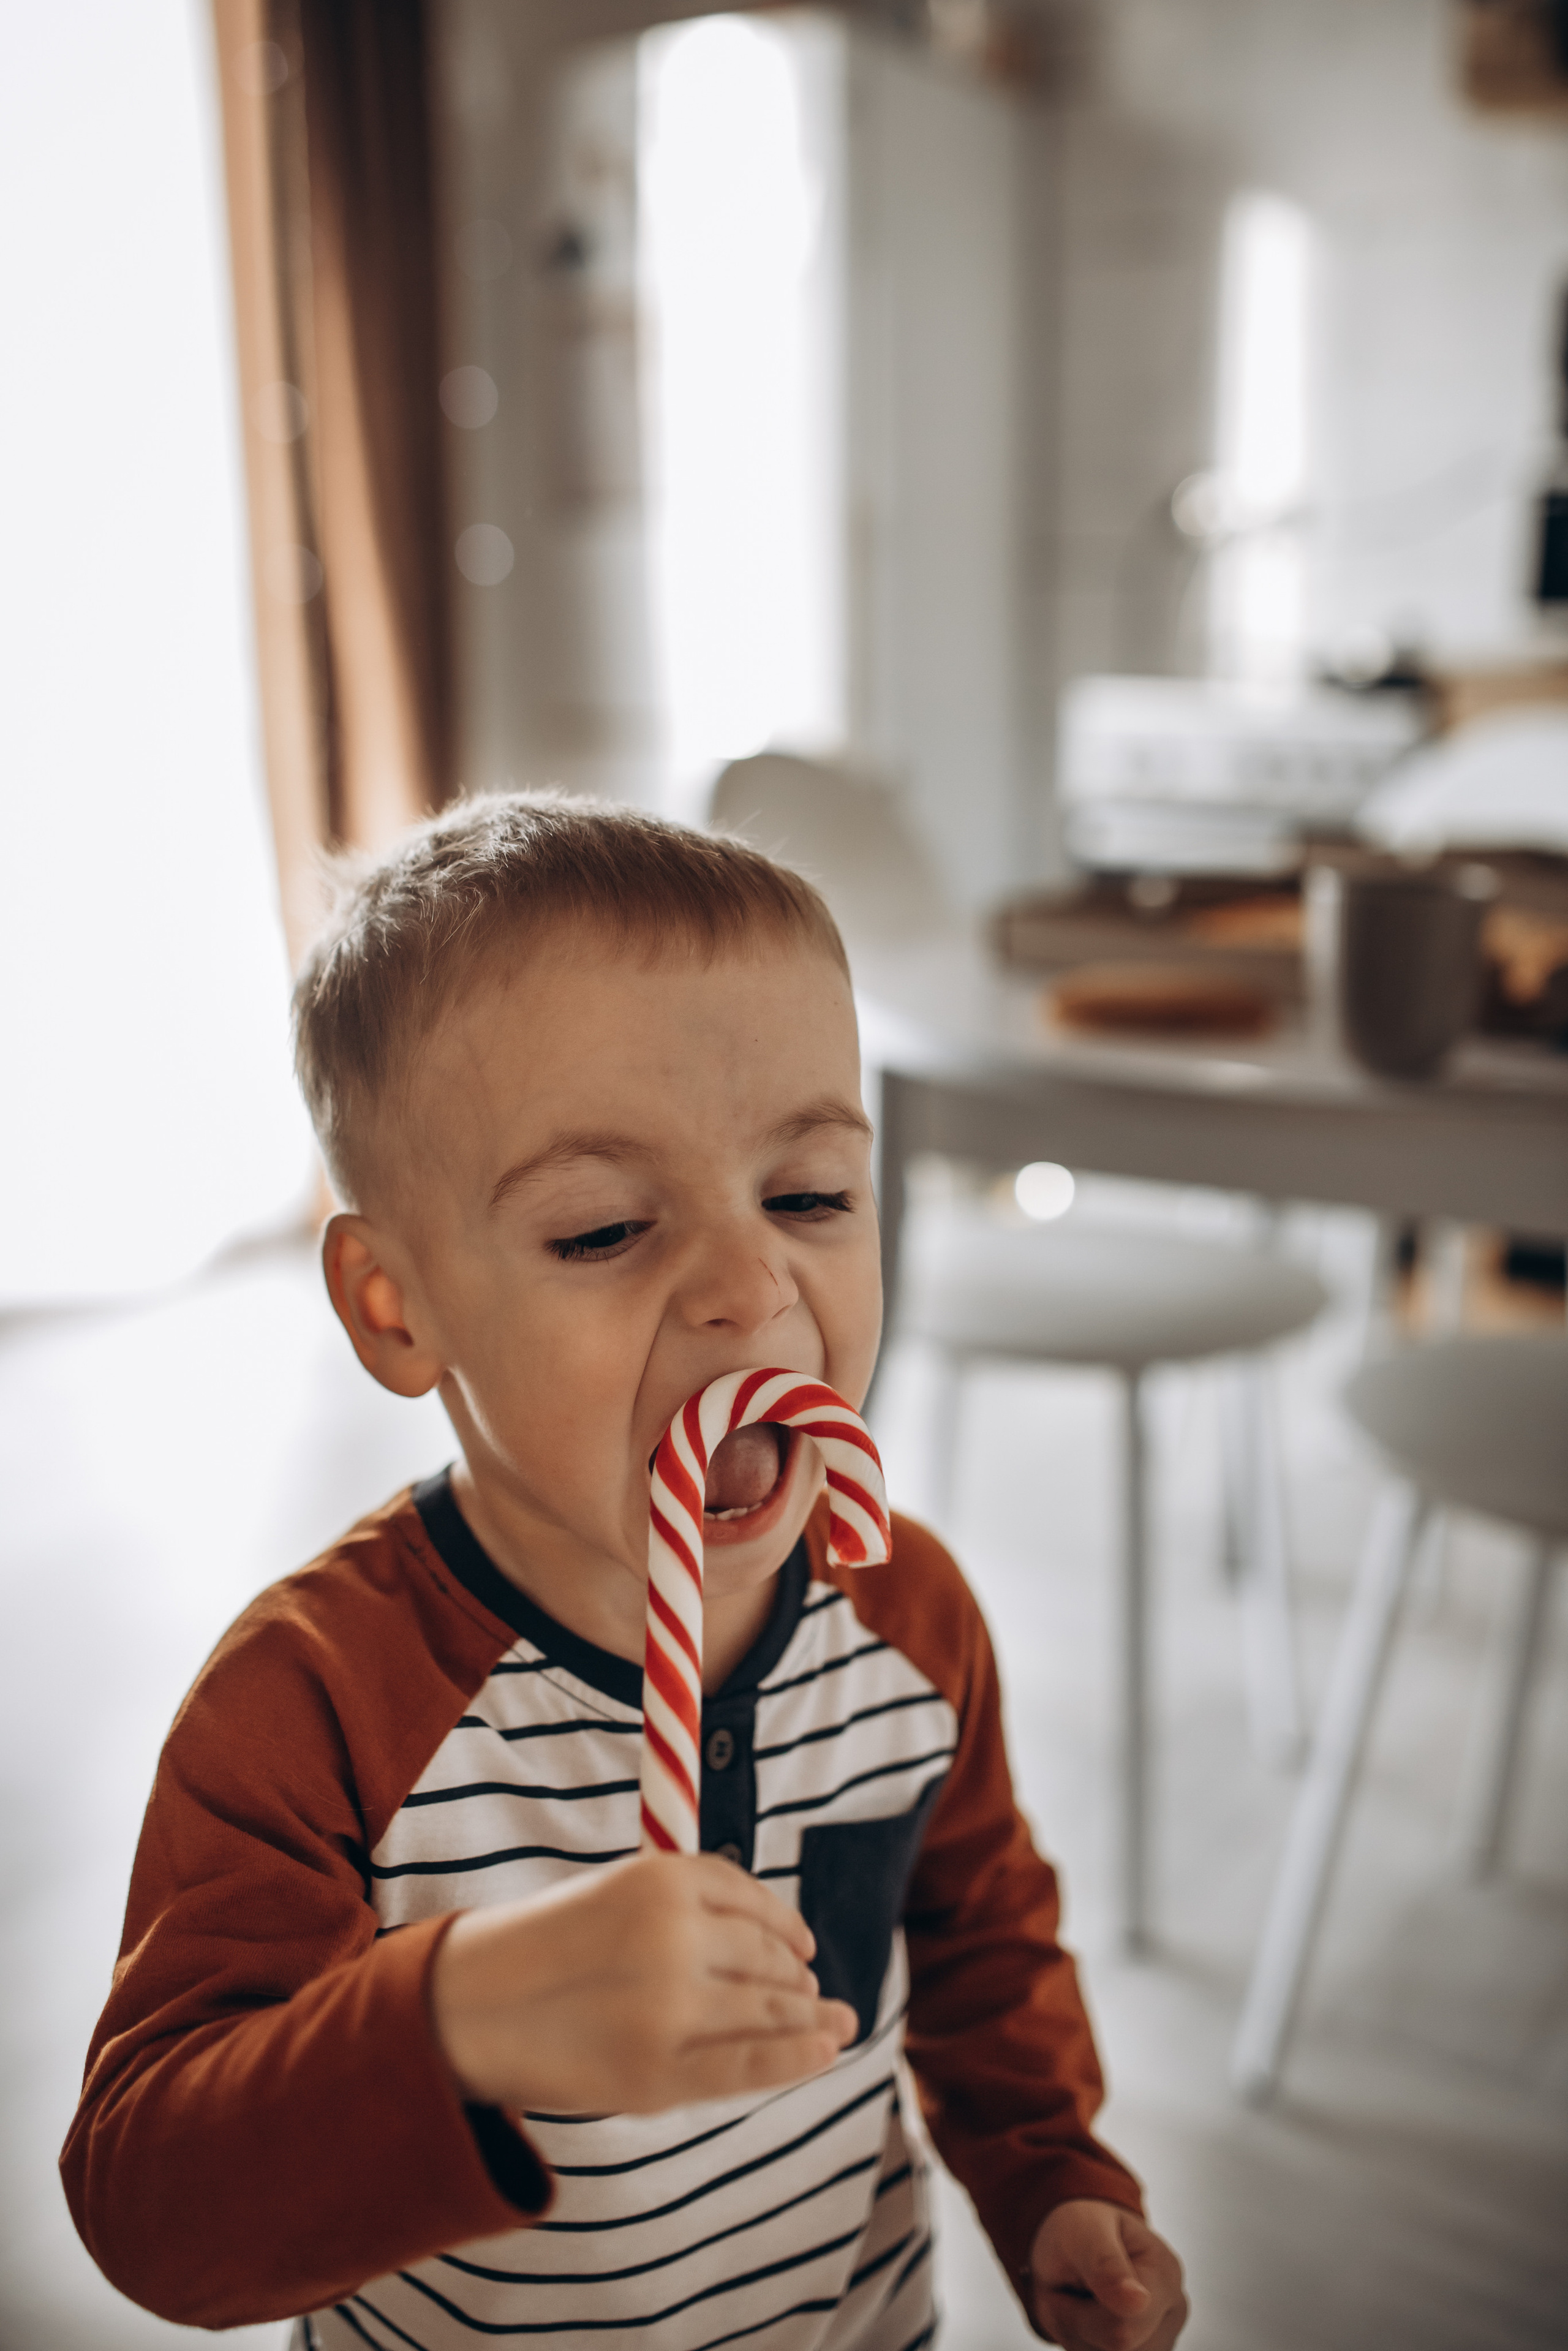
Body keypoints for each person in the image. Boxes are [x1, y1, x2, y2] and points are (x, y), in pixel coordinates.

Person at [62, 796, 1187, 2351]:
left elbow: (985, 1939)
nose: (747, 1285)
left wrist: (1052, 2176)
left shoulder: (903, 1615)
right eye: (601, 1229)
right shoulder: (316, 1701)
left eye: (808, 1194)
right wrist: (467, 2017)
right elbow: (151, 2209)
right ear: (395, 1307)